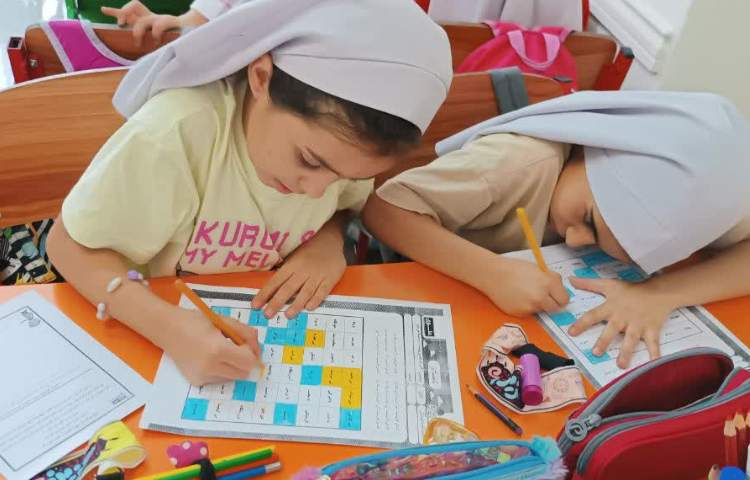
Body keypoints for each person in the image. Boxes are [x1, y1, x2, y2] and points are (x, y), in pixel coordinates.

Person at [47, 0, 452, 385]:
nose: (316, 192)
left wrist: (327, 243)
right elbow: (68, 245)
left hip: (255, 326)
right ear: (261, 78)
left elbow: (344, 207)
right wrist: (170, 329)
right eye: (310, 161)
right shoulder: (176, 135)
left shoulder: (342, 152)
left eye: (343, 177)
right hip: (142, 334)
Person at [363, 90, 750, 369]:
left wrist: (661, 293)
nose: (575, 239)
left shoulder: (705, 203)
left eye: (625, 251)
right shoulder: (515, 163)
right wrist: (491, 273)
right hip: (434, 299)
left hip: (517, 333)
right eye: (589, 220)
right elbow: (383, 209)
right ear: (590, 147)